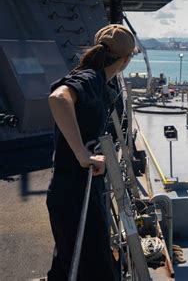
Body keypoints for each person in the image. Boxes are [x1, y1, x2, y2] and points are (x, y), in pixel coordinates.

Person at [47, 24, 136, 280]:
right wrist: (82, 155)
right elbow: (58, 98)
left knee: (66, 266)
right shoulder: (89, 78)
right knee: (95, 269)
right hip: (74, 192)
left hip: (76, 189)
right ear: (126, 59)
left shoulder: (98, 79)